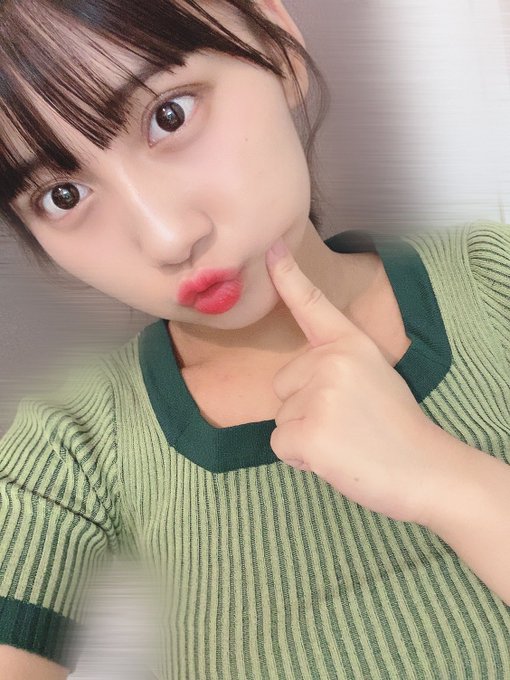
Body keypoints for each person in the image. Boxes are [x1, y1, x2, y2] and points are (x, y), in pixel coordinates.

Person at [0, 0, 509, 678]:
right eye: (62, 195)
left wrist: (448, 480)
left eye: (169, 116)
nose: (167, 238)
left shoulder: (495, 281)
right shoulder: (73, 449)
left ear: (280, 47)